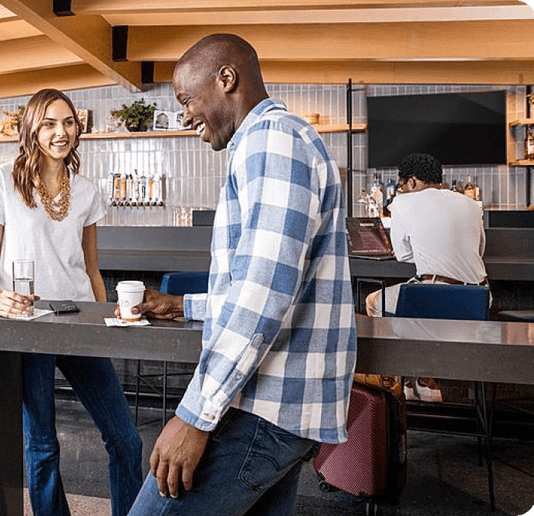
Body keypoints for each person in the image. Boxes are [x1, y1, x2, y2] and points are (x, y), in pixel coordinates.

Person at [123, 34, 357, 516]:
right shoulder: (279, 139)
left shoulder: (270, 139)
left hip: (258, 407)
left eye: (187, 99)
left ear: (226, 79)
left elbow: (263, 293)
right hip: (283, 408)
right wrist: (183, 304)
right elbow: (275, 285)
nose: (184, 115)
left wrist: (194, 415)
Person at [0, 88, 142, 516]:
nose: (60, 132)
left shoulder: (85, 191)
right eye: (49, 123)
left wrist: (110, 322)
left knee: (126, 439)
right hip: (30, 323)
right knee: (43, 446)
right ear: (32, 127)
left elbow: (91, 269)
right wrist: (0, 299)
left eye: (67, 122)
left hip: (81, 319)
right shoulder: (1, 181)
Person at [365, 152, 488, 402]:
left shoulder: (403, 203)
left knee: (374, 301)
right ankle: (421, 379)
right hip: (479, 300)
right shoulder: (470, 204)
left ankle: (402, 379)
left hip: (434, 299)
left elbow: (402, 254)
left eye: (401, 184)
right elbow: (479, 250)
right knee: (413, 298)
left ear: (411, 181)